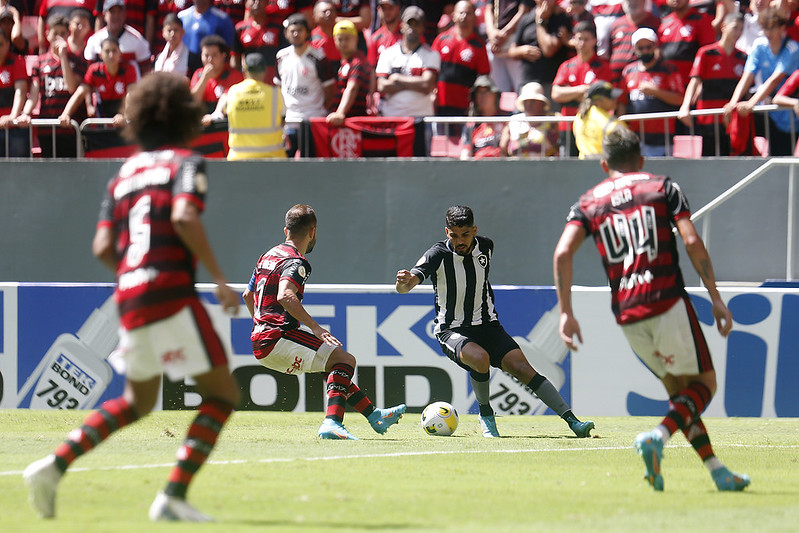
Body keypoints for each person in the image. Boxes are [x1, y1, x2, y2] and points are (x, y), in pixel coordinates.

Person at [23, 71, 242, 522]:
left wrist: (135, 273)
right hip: (170, 290)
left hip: (131, 294)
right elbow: (183, 217)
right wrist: (220, 279)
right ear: (185, 115)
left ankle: (52, 466)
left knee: (138, 402)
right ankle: (171, 497)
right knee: (222, 397)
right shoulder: (186, 162)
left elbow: (103, 248)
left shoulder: (122, 175)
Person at [552, 127, 751, 493]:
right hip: (666, 298)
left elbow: (563, 252)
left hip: (627, 311)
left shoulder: (588, 202)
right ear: (641, 159)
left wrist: (566, 311)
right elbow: (691, 240)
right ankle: (657, 436)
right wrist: (716, 298)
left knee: (680, 395)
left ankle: (717, 471)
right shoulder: (662, 187)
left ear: (603, 163)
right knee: (704, 385)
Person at [396, 205, 594, 438]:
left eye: (465, 234)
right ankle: (486, 416)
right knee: (480, 359)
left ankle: (573, 422)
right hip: (452, 329)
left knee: (523, 369)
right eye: (454, 235)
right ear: (446, 231)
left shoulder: (486, 247)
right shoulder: (436, 254)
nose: (460, 241)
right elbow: (406, 286)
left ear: (475, 230)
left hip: (488, 326)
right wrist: (403, 282)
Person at [243, 204, 407, 440]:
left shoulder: (266, 256)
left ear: (286, 230)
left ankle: (374, 415)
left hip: (261, 339)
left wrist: (260, 324)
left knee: (333, 365)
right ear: (313, 231)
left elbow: (248, 296)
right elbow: (285, 295)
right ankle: (332, 423)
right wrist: (315, 327)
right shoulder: (296, 262)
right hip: (278, 337)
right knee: (345, 360)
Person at [724, 8, 799, 157]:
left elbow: (774, 80)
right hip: (766, 109)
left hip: (787, 116)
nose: (768, 33)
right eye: (765, 28)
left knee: (781, 161)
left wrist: (750, 104)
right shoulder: (759, 45)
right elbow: (747, 76)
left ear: (783, 27)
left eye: (773, 28)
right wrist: (733, 102)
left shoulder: (793, 48)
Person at [17, 14, 88, 158]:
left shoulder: (78, 61)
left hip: (70, 127)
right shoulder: (40, 63)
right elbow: (34, 94)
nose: (59, 37)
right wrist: (25, 113)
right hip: (47, 128)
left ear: (68, 34)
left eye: (62, 33)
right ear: (47, 35)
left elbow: (72, 87)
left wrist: (63, 57)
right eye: (55, 33)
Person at [677, 12, 746, 156]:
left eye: (741, 29)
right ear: (723, 27)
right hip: (709, 119)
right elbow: (694, 81)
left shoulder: (743, 57)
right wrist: (685, 106)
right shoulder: (706, 53)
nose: (738, 32)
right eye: (735, 28)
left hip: (733, 121)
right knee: (710, 162)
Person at [618, 27, 685, 157]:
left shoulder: (668, 69)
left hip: (663, 138)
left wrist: (655, 91)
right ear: (634, 49)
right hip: (636, 138)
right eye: (640, 48)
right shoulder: (628, 71)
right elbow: (622, 101)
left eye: (648, 47)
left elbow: (680, 99)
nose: (645, 51)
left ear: (655, 46)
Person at [276, 12, 335, 157]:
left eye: (300, 30)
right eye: (292, 31)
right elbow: (278, 86)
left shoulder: (318, 57)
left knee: (310, 163)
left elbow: (329, 89)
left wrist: (318, 108)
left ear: (307, 32)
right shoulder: (281, 56)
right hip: (289, 121)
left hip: (312, 120)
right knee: (287, 162)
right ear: (286, 33)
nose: (296, 34)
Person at [207, 52, 286, 159]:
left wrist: (212, 116)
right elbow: (283, 120)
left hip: (238, 160)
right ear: (265, 72)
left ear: (244, 71)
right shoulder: (276, 94)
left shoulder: (232, 93)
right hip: (272, 159)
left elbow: (218, 113)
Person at [551, 20, 613, 157]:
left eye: (586, 39)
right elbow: (556, 94)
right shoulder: (566, 66)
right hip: (568, 125)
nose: (582, 43)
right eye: (579, 38)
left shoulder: (603, 67)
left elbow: (602, 98)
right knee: (567, 170)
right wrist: (583, 90)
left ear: (594, 41)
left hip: (592, 126)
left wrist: (569, 92)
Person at [432, 0, 490, 134]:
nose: (464, 16)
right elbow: (431, 71)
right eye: (461, 12)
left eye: (468, 13)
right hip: (440, 107)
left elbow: (483, 77)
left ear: (474, 17)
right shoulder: (441, 40)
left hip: (465, 110)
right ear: (453, 15)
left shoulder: (479, 45)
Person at [375, 6, 440, 117]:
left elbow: (426, 85)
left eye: (417, 24)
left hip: (420, 117)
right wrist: (415, 84)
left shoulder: (431, 54)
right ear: (402, 25)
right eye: (409, 23)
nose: (412, 28)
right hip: (392, 117)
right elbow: (382, 86)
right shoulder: (387, 54)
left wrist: (397, 78)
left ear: (422, 28)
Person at [60, 37, 137, 129]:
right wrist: (65, 114)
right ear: (101, 55)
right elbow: (80, 92)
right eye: (107, 51)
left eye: (114, 51)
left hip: (123, 118)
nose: (111, 55)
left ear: (120, 53)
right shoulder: (94, 70)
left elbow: (131, 95)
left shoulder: (128, 69)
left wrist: (124, 116)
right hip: (103, 117)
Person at [507, 0, 571, 97]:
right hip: (527, 83)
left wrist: (541, 22)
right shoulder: (526, 18)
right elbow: (512, 51)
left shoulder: (560, 17)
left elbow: (549, 49)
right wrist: (522, 51)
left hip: (550, 83)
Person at [85, 0, 152, 77]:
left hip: (131, 87)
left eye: (119, 12)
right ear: (104, 15)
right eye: (112, 12)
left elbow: (146, 73)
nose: (116, 16)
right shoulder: (94, 40)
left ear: (125, 14)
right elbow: (89, 74)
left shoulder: (138, 40)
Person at [657, 0, 716, 83]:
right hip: (669, 85)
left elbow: (709, 54)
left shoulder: (702, 20)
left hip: (691, 83)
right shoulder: (664, 22)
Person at [326, 20, 371, 126]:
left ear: (356, 39)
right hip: (345, 121)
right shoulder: (344, 62)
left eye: (347, 38)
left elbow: (352, 88)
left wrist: (340, 113)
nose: (343, 43)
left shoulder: (357, 61)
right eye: (340, 39)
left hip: (354, 122)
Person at [483, 0, 532, 93]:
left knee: (521, 89)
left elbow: (524, 10)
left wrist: (505, 33)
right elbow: (488, 9)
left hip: (515, 39)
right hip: (495, 39)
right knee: (496, 89)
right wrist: (491, 32)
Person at [231, 0, 287, 83]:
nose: (256, 3)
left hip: (273, 83)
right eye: (253, 0)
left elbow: (285, 57)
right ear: (247, 3)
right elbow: (235, 60)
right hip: (250, 82)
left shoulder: (278, 26)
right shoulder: (240, 29)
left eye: (260, 0)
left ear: (267, 3)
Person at [607, 0, 660, 84]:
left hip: (643, 82)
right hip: (616, 82)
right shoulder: (616, 24)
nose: (633, 2)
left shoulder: (656, 23)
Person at [500, 81, 559, 157]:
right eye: (525, 101)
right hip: (517, 166)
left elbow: (552, 146)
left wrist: (525, 146)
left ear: (542, 103)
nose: (528, 105)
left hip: (544, 167)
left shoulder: (552, 120)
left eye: (532, 101)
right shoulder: (514, 121)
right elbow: (507, 148)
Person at [190, 34, 244, 114]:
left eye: (214, 55)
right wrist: (204, 79)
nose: (210, 60)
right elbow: (193, 101)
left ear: (223, 56)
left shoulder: (234, 75)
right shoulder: (198, 74)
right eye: (206, 55)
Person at [572, 80, 627, 158]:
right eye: (610, 97)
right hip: (604, 166)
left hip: (583, 165)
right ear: (598, 102)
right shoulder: (613, 123)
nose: (616, 99)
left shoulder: (579, 116)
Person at [179, 0, 236, 74]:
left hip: (212, 69)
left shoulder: (222, 18)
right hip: (185, 68)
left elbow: (230, 47)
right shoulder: (182, 17)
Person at [460, 74, 508, 159]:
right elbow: (466, 152)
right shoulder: (471, 125)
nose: (483, 96)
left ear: (495, 95)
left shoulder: (507, 119)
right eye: (479, 93)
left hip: (503, 165)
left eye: (486, 92)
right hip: (478, 167)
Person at [0, 27, 28, 157]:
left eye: (0, 44)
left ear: (7, 45)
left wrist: (12, 116)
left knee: (18, 171)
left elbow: (20, 91)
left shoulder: (17, 61)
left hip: (14, 127)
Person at [367, 0, 402, 69]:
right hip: (381, 77)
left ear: (398, 8)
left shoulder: (408, 33)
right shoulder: (375, 37)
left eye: (390, 8)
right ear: (378, 10)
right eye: (384, 8)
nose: (387, 12)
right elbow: (372, 67)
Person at [310, 0, 340, 72]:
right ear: (314, 17)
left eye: (332, 10)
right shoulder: (310, 39)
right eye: (324, 11)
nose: (328, 14)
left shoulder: (343, 34)